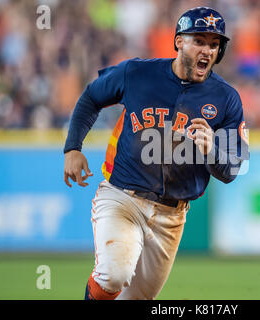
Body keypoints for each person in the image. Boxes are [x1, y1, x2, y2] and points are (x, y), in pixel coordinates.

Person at [63, 6, 248, 300]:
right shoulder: (137, 73)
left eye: (214, 44)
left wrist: (212, 149)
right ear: (178, 42)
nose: (207, 50)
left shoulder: (226, 99)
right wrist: (73, 147)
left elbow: (233, 169)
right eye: (199, 40)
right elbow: (91, 96)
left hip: (172, 215)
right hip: (123, 197)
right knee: (113, 275)